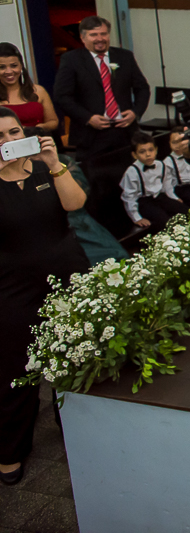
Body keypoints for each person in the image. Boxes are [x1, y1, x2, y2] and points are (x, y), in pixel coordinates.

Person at [0, 108, 89, 485]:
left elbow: (76, 204)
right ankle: (10, 449)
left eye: (13, 131)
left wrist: (54, 163)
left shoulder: (45, 169)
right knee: (15, 366)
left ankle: (75, 428)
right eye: (0, 136)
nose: (9, 141)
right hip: (13, 284)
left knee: (75, 353)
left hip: (66, 269)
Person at [52, 16, 150, 235]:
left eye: (103, 34)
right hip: (92, 135)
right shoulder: (72, 60)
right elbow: (62, 96)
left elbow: (142, 88)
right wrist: (88, 118)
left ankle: (134, 223)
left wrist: (135, 113)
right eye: (94, 35)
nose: (100, 39)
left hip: (124, 133)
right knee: (97, 187)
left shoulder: (124, 56)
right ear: (83, 37)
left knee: (129, 180)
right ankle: (104, 231)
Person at [119, 131, 189, 235]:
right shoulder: (132, 172)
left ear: (156, 150)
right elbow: (129, 197)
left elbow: (167, 185)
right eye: (142, 152)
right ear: (134, 155)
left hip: (159, 197)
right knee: (164, 221)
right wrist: (136, 217)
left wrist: (173, 197)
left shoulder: (161, 165)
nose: (148, 154)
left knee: (185, 211)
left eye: (151, 150)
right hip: (143, 202)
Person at [0, 42, 58, 134]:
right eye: (2, 67)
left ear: (21, 66)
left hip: (39, 140)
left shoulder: (38, 91)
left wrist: (40, 128)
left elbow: (53, 121)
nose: (9, 71)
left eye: (14, 66)